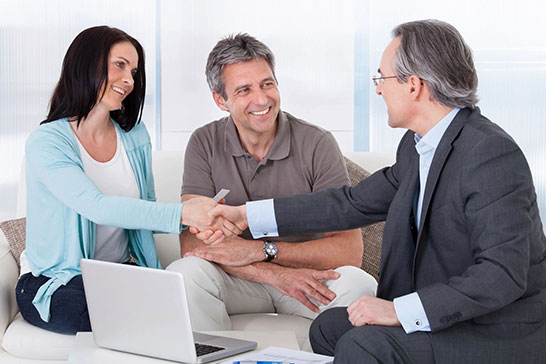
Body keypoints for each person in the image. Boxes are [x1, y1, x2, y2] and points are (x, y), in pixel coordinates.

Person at [206, 20, 546, 363]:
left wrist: (399, 310)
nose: (379, 90)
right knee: (329, 328)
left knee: (364, 345)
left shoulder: (489, 154)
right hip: (455, 319)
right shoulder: (418, 148)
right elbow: (350, 203)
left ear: (413, 85)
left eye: (382, 78)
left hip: (497, 330)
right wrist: (244, 214)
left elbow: (500, 276)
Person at [17, 26, 234, 335]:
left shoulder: (134, 135)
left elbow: (142, 210)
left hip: (119, 273)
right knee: (108, 317)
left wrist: (198, 218)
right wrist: (183, 214)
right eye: (119, 65)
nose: (130, 80)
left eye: (133, 71)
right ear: (86, 64)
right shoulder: (47, 142)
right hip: (58, 280)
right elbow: (96, 207)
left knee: (176, 305)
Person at [166, 33, 377, 331]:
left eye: (267, 83)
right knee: (185, 274)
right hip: (240, 279)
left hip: (307, 278)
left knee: (360, 285)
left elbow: (349, 250)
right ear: (220, 100)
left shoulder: (318, 143)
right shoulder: (204, 142)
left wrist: (263, 251)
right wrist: (273, 274)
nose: (262, 99)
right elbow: (191, 243)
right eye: (244, 90)